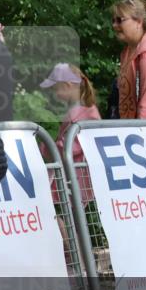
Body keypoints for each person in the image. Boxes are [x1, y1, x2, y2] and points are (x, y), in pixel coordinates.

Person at [39, 63, 101, 203]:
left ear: (67, 85)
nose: (55, 94)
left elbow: (72, 146)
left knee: (73, 220)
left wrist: (45, 148)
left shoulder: (86, 113)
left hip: (78, 180)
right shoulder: (80, 109)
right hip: (73, 178)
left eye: (56, 89)